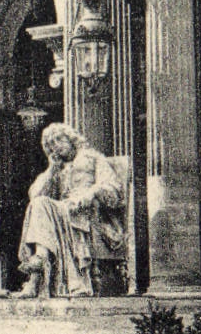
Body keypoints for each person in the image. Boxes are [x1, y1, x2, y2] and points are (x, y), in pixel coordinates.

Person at [17, 122, 126, 298]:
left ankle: (36, 274)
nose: (55, 147)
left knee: (44, 205)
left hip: (88, 213)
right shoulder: (57, 169)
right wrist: (52, 169)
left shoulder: (93, 158)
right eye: (50, 144)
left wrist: (90, 193)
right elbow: (34, 194)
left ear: (71, 138)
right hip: (63, 213)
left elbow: (114, 188)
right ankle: (39, 263)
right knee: (39, 203)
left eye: (59, 140)